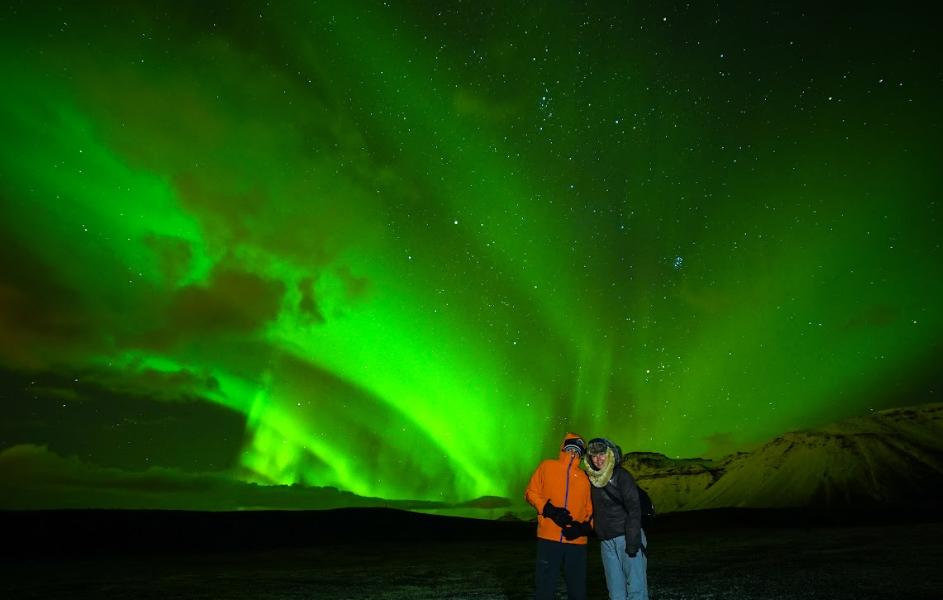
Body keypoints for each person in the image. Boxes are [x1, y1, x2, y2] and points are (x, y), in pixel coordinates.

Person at [525, 432, 594, 600]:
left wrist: (583, 528)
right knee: (545, 590)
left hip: (576, 542)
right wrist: (549, 510)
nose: (573, 454)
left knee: (578, 592)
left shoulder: (585, 478)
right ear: (563, 449)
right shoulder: (547, 466)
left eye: (577, 452)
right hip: (549, 537)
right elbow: (530, 492)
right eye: (571, 449)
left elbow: (592, 510)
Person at [582, 437, 649, 600]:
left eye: (602, 454)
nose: (598, 459)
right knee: (615, 591)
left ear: (610, 454)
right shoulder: (592, 479)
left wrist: (632, 542)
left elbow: (634, 509)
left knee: (636, 588)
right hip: (606, 542)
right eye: (594, 456)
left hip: (627, 538)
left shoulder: (621, 475)